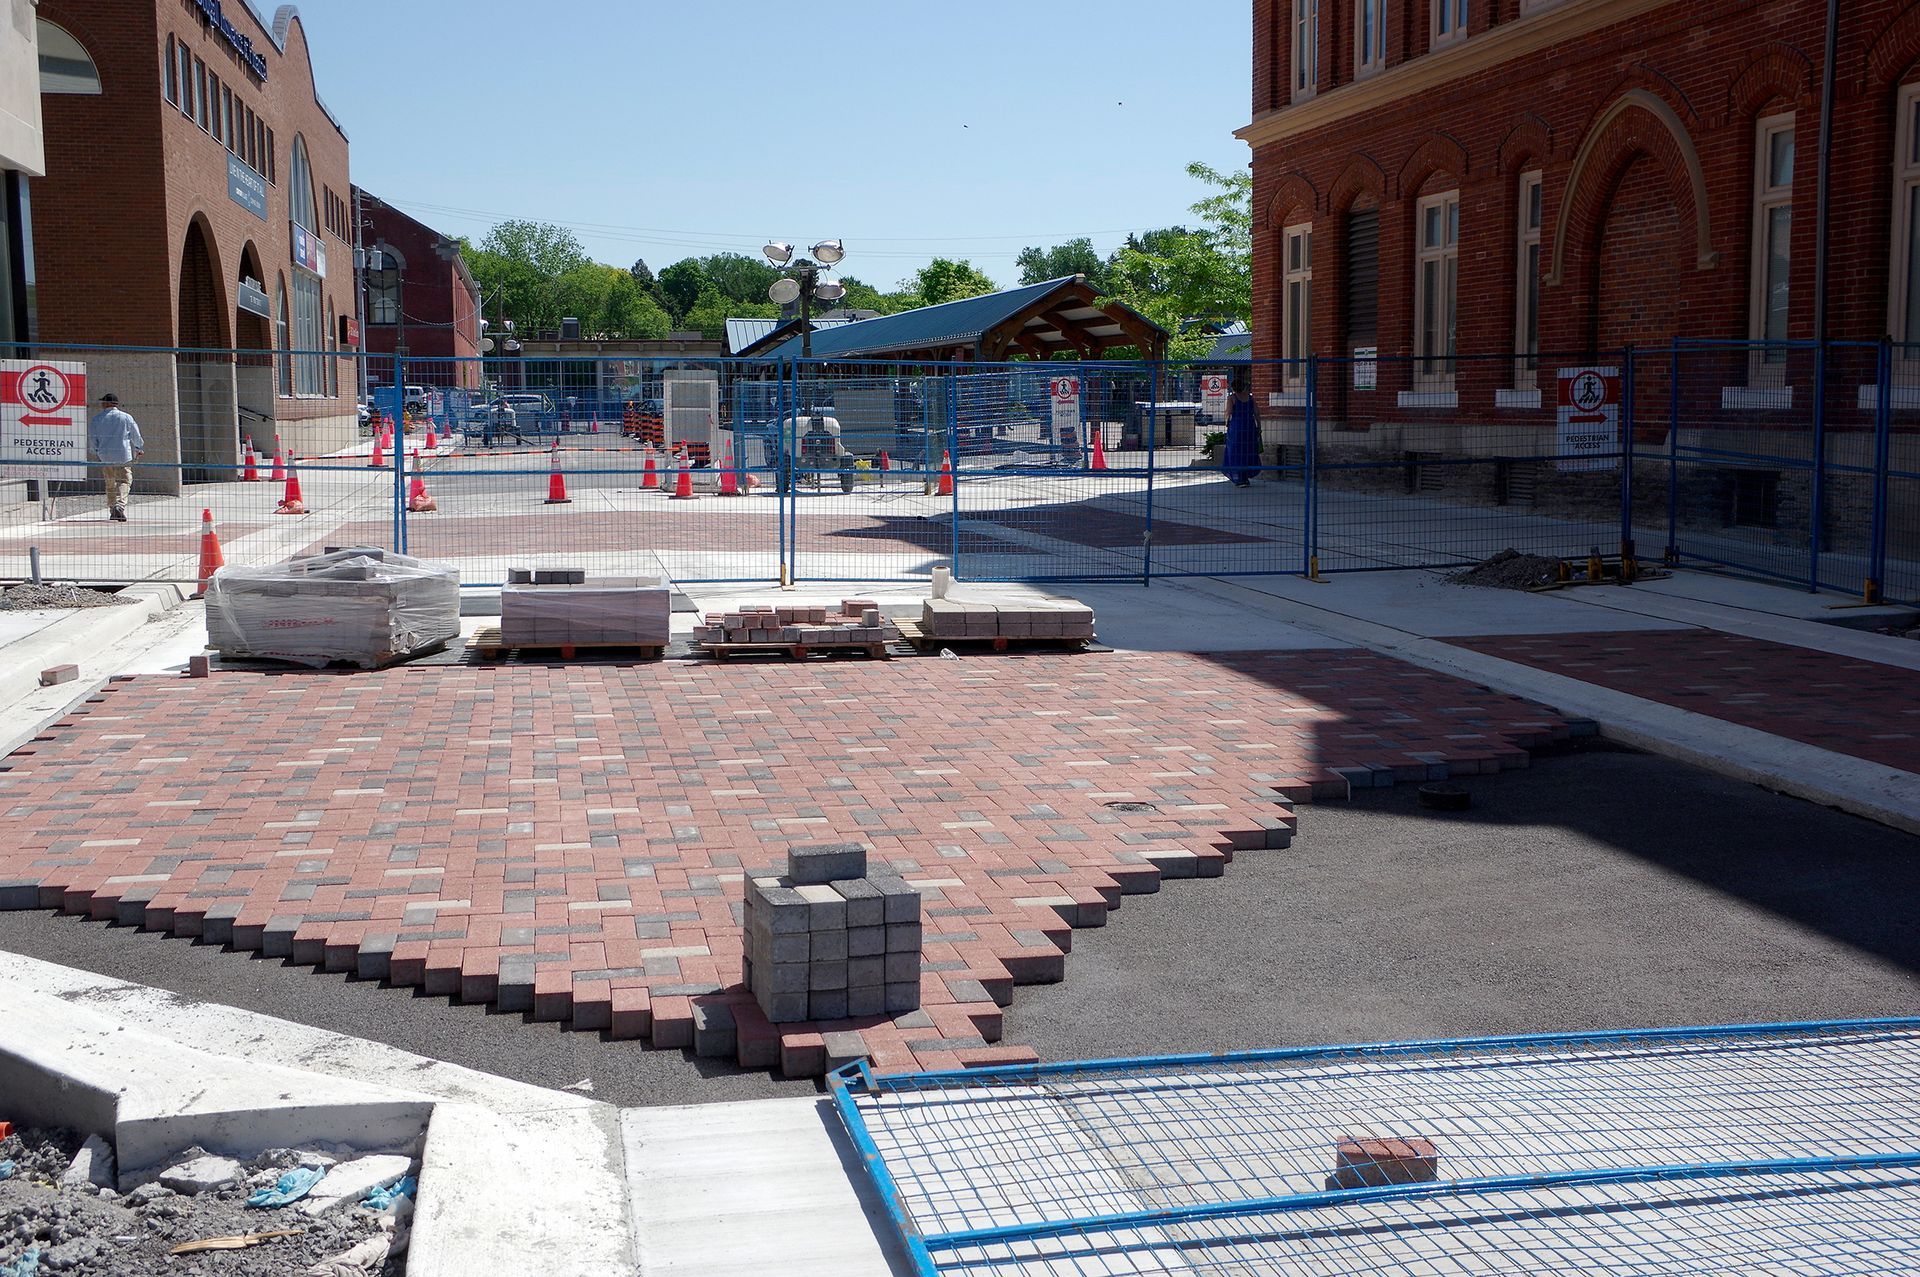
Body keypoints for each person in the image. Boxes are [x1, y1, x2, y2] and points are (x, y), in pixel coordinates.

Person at [89, 392, 144, 521]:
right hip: (122, 455)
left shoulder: (97, 419)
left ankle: (112, 508)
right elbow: (135, 435)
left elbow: (92, 438)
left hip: (105, 456)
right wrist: (139, 447)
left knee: (110, 483)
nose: (101, 404)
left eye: (103, 402)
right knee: (124, 481)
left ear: (107, 403)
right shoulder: (126, 417)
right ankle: (120, 505)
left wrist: (95, 451)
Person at [1222, 371, 1260, 488]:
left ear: (1233, 387)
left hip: (1237, 427)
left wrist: (1226, 422)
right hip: (1249, 426)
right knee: (1248, 450)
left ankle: (1239, 478)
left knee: (1235, 452)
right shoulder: (1250, 398)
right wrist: (1259, 426)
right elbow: (1257, 412)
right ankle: (1245, 476)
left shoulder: (1232, 398)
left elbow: (1228, 412)